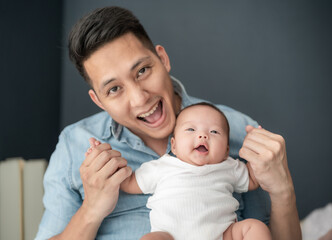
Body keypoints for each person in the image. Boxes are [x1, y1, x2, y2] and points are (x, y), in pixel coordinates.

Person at [35, 6, 301, 240]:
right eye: (114, 89)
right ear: (99, 100)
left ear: (162, 59)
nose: (140, 99)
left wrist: (283, 189)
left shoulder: (238, 131)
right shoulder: (74, 146)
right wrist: (91, 209)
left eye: (142, 71)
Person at [87, 102, 272, 240]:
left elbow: (253, 181)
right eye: (191, 129)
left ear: (225, 150)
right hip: (170, 236)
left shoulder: (229, 166)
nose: (202, 135)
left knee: (254, 228)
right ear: (173, 146)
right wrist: (105, 158)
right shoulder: (163, 166)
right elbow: (129, 183)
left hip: (223, 235)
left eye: (214, 132)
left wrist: (258, 151)